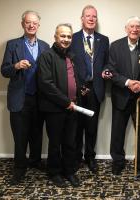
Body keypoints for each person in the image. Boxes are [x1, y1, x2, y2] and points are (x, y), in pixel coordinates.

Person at [107, 16, 140, 178]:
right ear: (126, 28)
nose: (135, 29)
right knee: (117, 133)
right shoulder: (115, 46)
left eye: (138, 27)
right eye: (132, 26)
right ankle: (118, 162)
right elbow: (111, 72)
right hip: (121, 97)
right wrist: (128, 82)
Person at [1, 10, 50, 185]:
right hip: (19, 98)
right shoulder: (12, 45)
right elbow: (4, 70)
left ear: (38, 25)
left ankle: (35, 162)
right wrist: (16, 65)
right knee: (20, 136)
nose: (31, 25)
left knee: (37, 134)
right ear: (23, 24)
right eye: (28, 22)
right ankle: (19, 168)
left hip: (40, 99)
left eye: (34, 23)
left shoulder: (45, 46)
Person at [37, 23, 81, 188]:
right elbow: (46, 84)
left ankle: (69, 171)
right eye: (63, 36)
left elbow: (72, 79)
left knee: (70, 142)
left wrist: (79, 90)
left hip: (72, 107)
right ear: (55, 37)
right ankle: (54, 172)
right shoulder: (46, 56)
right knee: (55, 143)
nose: (66, 39)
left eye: (69, 36)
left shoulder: (71, 56)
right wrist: (66, 102)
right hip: (54, 109)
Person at [70, 5, 109, 173]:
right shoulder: (72, 38)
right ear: (82, 19)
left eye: (94, 16)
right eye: (88, 16)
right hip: (78, 89)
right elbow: (68, 64)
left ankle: (90, 157)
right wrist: (78, 86)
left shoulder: (104, 39)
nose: (91, 19)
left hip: (96, 88)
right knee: (77, 126)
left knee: (92, 127)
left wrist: (107, 71)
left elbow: (108, 62)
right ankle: (76, 157)